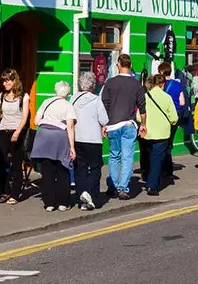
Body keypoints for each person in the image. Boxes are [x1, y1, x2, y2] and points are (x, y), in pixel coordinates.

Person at [100, 54, 145, 201]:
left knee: (114, 156)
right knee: (127, 157)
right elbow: (142, 107)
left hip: (112, 125)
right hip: (129, 124)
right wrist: (143, 124)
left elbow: (104, 105)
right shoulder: (136, 84)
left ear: (118, 64)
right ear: (130, 66)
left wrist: (103, 125)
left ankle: (112, 186)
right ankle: (123, 189)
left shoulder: (110, 83)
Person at [29, 81, 77, 211]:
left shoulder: (46, 102)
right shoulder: (68, 106)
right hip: (59, 137)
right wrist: (72, 147)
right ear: (67, 93)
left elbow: (36, 121)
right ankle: (62, 203)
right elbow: (70, 127)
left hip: (43, 136)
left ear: (55, 91)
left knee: (47, 171)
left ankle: (49, 203)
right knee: (63, 170)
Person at [71, 72, 109, 210]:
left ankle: (83, 198)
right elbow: (104, 119)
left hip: (77, 138)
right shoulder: (96, 99)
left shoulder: (73, 99)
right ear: (93, 85)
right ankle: (90, 193)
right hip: (93, 139)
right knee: (95, 168)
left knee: (80, 168)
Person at [0, 69, 29, 204]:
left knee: (17, 163)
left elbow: (24, 116)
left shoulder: (23, 96)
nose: (4, 83)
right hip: (3, 130)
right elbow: (1, 117)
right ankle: (5, 190)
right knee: (0, 162)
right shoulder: (2, 95)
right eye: (3, 81)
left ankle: (15, 193)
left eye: (7, 81)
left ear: (14, 81)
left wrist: (18, 132)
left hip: (17, 131)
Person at [142, 74, 179, 196]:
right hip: (162, 133)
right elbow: (174, 118)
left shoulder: (146, 96)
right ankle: (152, 186)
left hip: (147, 133)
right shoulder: (167, 98)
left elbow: (138, 115)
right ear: (162, 84)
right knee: (157, 160)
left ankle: (149, 179)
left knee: (149, 157)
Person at [160, 60, 188, 179]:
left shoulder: (159, 84)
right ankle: (169, 169)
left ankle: (163, 167)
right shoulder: (177, 84)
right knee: (169, 142)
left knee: (162, 142)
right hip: (175, 116)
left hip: (163, 116)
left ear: (161, 72)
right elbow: (182, 102)